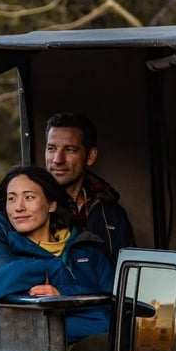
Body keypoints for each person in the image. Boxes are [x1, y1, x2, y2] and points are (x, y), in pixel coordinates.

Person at [0, 165, 113, 343]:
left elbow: (112, 319)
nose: (18, 207)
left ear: (51, 204)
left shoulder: (88, 250)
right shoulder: (8, 258)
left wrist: (62, 294)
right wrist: (32, 271)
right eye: (11, 199)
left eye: (29, 197)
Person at [44, 113, 135, 266]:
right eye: (51, 148)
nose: (57, 159)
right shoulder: (30, 210)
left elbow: (128, 274)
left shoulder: (112, 213)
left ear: (90, 156)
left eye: (70, 150)